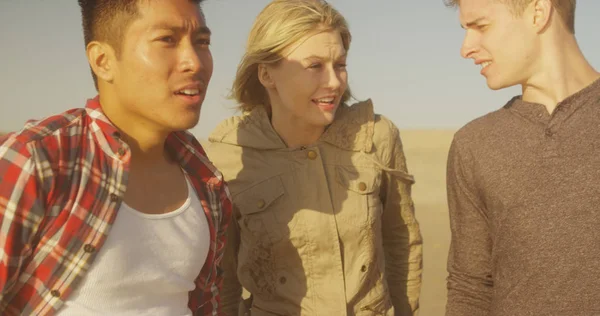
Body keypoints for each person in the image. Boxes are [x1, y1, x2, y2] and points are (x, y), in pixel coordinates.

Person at [0, 0, 231, 315]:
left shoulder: (205, 177)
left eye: (202, 42)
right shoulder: (42, 159)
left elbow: (205, 302)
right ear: (103, 60)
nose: (195, 62)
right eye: (167, 40)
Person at [206, 0, 423, 315]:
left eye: (340, 65)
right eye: (315, 66)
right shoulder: (229, 155)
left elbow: (401, 240)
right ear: (267, 75)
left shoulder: (376, 137)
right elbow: (220, 278)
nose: (334, 82)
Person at [443, 0, 600, 315]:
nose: (465, 48)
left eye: (480, 26)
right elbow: (470, 290)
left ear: (538, 12)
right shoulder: (474, 144)